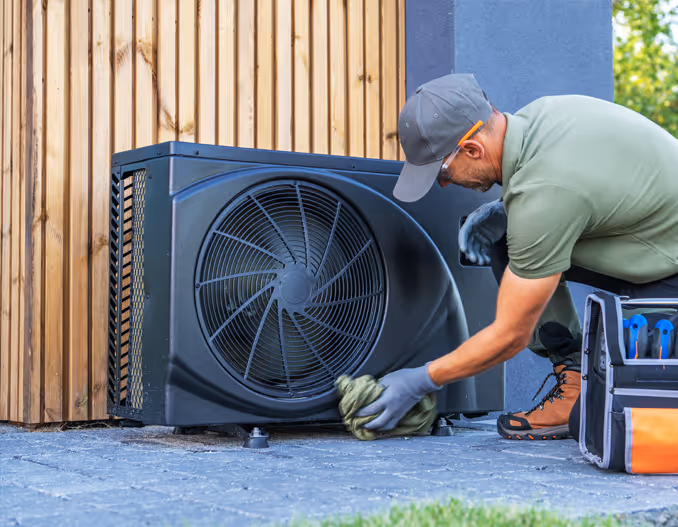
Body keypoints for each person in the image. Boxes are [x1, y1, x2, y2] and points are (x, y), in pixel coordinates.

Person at [356, 73, 678, 440]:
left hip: (669, 269)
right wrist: (505, 207)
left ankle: (590, 388)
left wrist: (421, 380)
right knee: (508, 240)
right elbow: (586, 184)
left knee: (626, 431)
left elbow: (511, 335)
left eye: (442, 173)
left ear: (472, 149)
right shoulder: (538, 118)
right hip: (656, 235)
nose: (444, 184)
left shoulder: (543, 192)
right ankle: (574, 382)